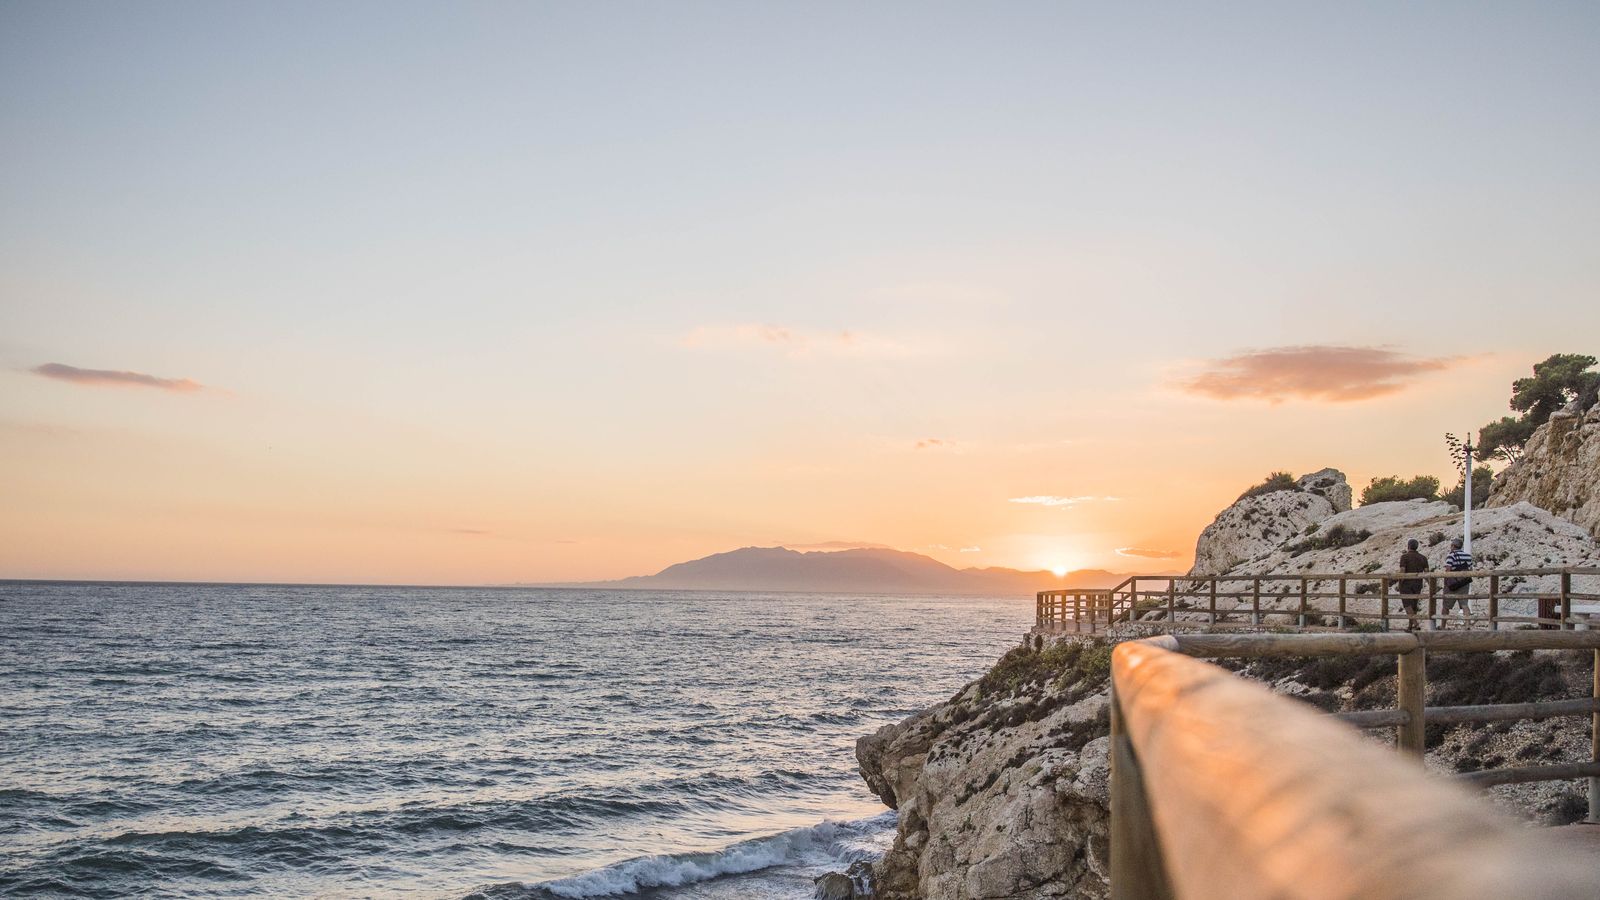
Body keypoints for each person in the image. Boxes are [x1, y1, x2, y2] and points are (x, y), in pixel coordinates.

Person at [1397, 538, 1428, 632]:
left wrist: (1400, 582)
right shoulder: (1423, 557)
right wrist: (1431, 584)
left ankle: (1415, 624)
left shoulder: (1404, 557)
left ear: (1408, 546)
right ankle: (1410, 626)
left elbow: (1402, 571)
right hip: (1418, 583)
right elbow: (1427, 573)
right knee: (1414, 605)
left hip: (1406, 584)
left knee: (1407, 605)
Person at [1442, 538, 1473, 627]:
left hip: (1453, 583)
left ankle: (1443, 625)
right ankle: (1467, 625)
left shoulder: (1451, 555)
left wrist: (1446, 582)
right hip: (1464, 583)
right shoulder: (1468, 556)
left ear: (1453, 546)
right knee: (1464, 604)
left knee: (1446, 606)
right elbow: (1470, 569)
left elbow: (1448, 569)